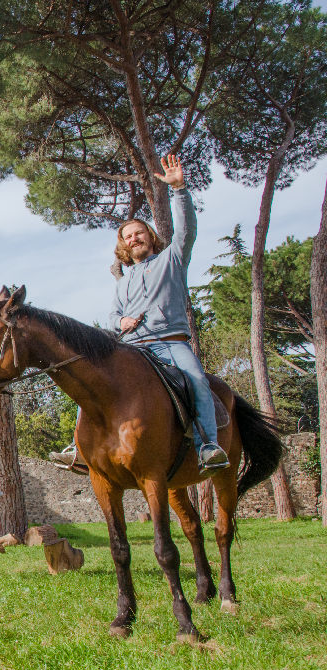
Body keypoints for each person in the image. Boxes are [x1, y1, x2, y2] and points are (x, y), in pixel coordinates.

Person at [52, 154, 228, 476]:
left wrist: (179, 190)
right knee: (89, 383)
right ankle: (78, 449)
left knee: (198, 380)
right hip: (132, 348)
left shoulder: (172, 260)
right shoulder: (123, 280)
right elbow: (113, 314)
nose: (134, 238)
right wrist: (120, 322)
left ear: (150, 237)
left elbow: (186, 231)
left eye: (139, 233)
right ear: (124, 245)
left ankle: (207, 447)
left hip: (171, 343)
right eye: (128, 236)